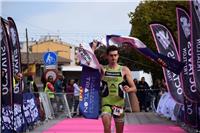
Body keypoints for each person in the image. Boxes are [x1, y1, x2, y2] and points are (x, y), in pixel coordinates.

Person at [99, 45, 137, 133]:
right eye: (111, 55)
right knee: (106, 126)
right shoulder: (103, 69)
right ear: (107, 56)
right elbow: (90, 63)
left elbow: (134, 88)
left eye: (115, 55)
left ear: (118, 56)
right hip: (106, 104)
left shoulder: (124, 69)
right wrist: (91, 48)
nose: (113, 57)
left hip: (118, 105)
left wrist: (129, 89)